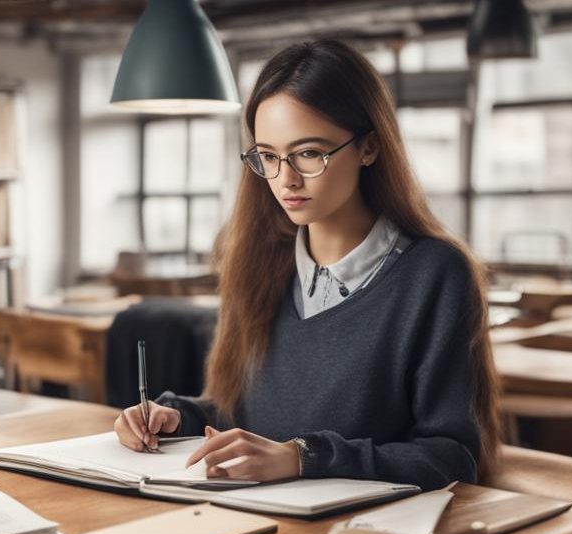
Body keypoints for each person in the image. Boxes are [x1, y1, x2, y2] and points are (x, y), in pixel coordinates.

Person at [113, 39, 500, 491]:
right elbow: (250, 416)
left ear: (369, 147)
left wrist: (303, 457)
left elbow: (451, 456)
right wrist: (177, 416)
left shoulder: (435, 275)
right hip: (254, 520)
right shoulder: (261, 263)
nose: (285, 179)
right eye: (269, 157)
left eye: (310, 153)